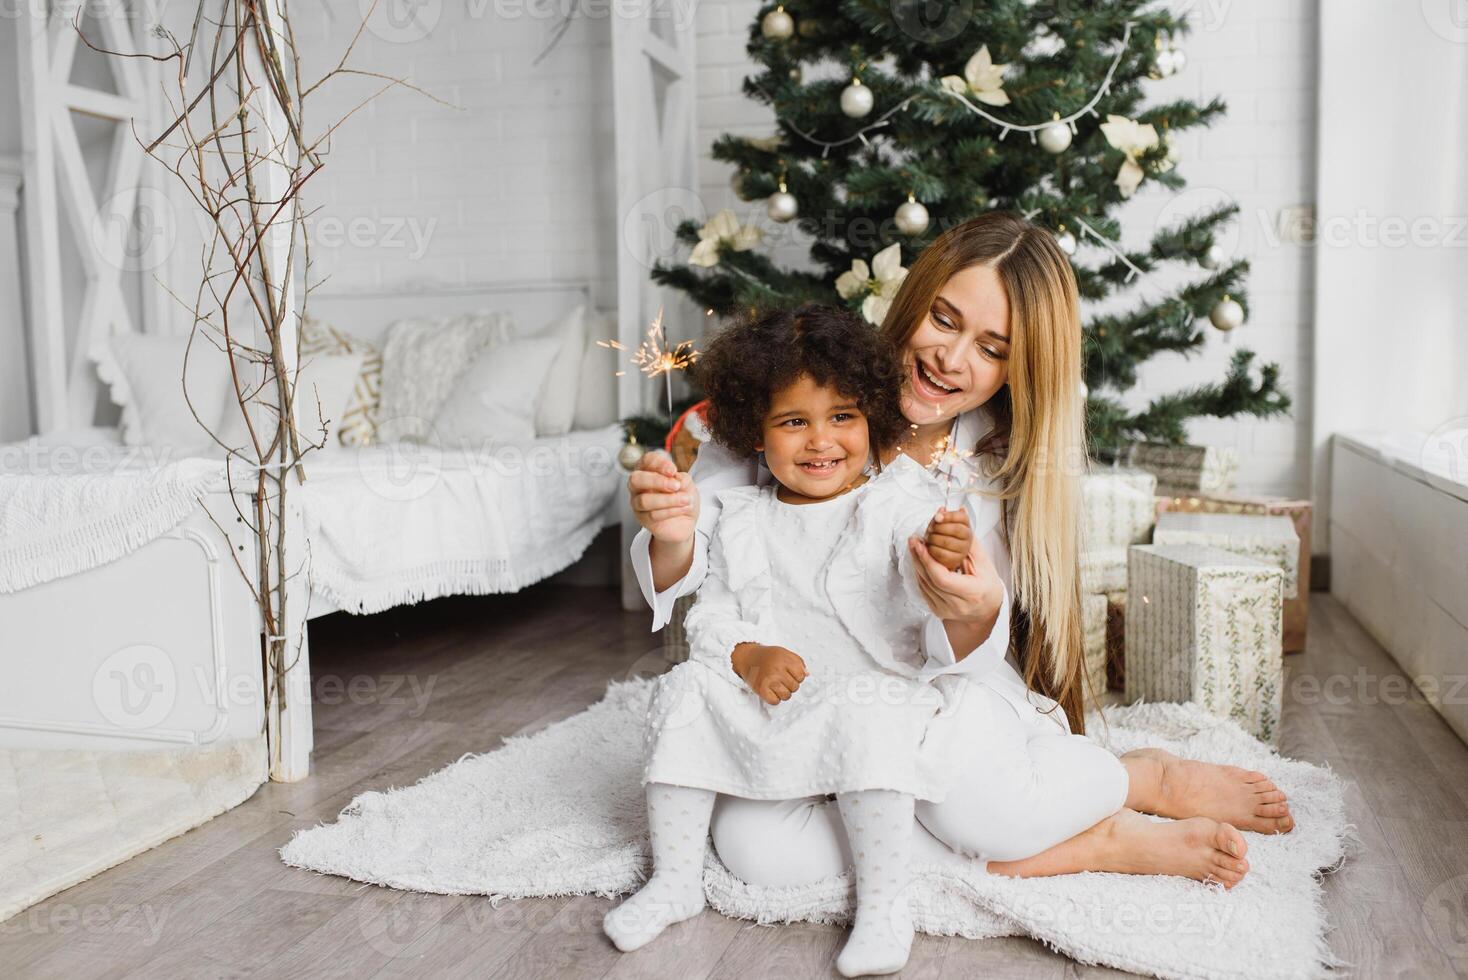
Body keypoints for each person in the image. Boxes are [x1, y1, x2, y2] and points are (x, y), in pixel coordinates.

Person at [624, 213, 1294, 893]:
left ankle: (1141, 780)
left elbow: (972, 651)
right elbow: (695, 559)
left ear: (1018, 369)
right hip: (798, 694)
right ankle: (1083, 839)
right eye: (943, 320)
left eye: (992, 348)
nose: (951, 358)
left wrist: (973, 609)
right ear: (913, 303)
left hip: (932, 688)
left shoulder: (986, 465)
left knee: (976, 811)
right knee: (759, 854)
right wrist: (672, 531)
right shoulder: (803, 392)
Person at [604, 305, 988, 976]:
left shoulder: (894, 504)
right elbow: (714, 618)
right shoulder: (740, 518)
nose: (820, 441)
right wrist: (747, 657)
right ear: (756, 431)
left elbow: (921, 564)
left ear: (872, 418)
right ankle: (674, 880)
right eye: (793, 422)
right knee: (685, 691)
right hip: (778, 702)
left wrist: (946, 550)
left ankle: (884, 904)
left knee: (870, 707)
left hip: (868, 696)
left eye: (843, 416)